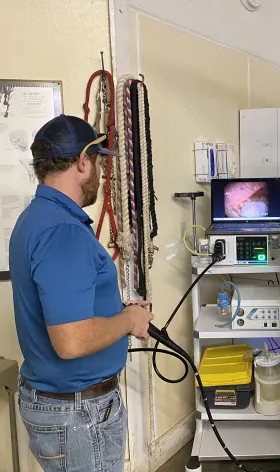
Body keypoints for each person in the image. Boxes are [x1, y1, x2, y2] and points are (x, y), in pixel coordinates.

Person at [10, 115, 154, 472]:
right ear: (82, 161)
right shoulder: (63, 231)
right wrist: (128, 320)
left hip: (60, 405)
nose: (103, 174)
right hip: (78, 414)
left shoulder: (36, 218)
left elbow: (63, 304)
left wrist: (115, 310)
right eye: (100, 163)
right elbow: (71, 341)